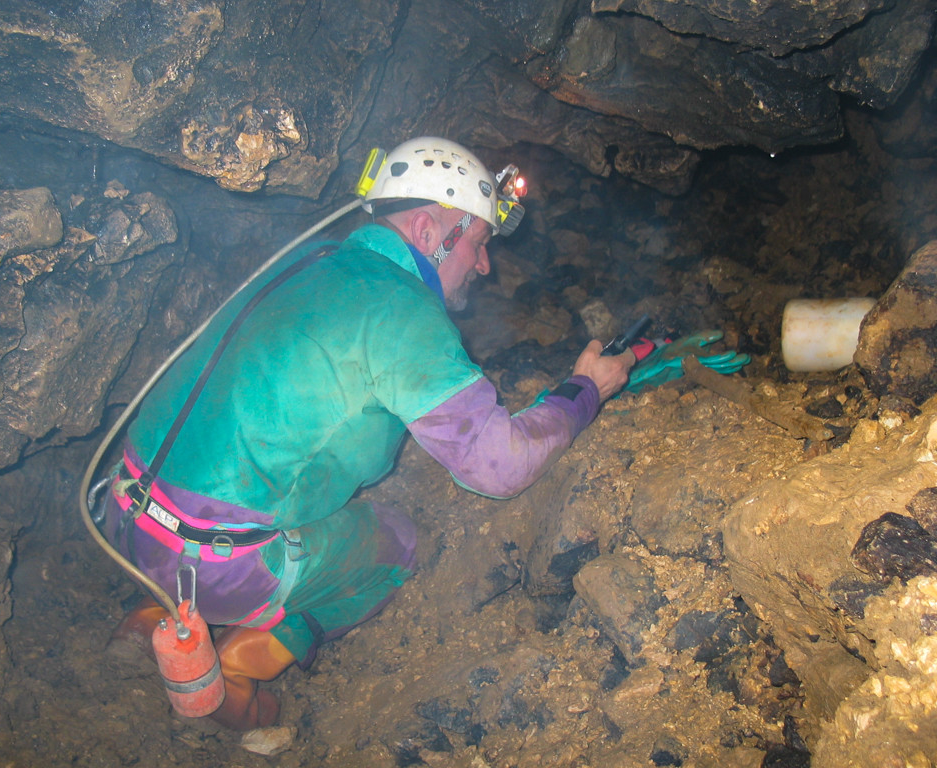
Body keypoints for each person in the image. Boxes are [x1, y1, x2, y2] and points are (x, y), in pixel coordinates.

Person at [102, 136, 636, 730]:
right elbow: (499, 467)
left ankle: (153, 611)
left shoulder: (306, 260)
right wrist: (584, 391)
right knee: (397, 541)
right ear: (431, 233)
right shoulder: (400, 310)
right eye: (480, 245)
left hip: (121, 514)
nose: (484, 266)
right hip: (212, 562)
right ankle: (238, 670)